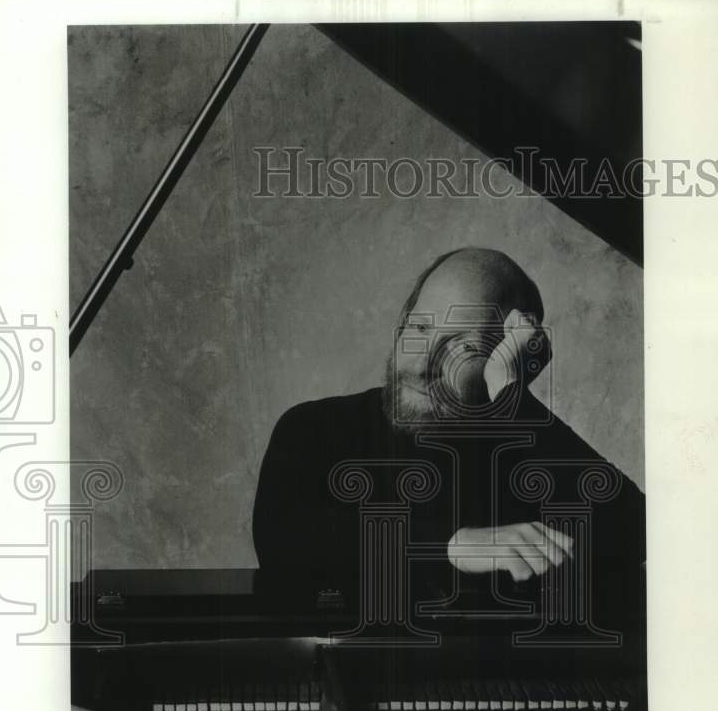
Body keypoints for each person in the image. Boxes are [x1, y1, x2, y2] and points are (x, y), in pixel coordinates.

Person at [252, 248, 645, 630]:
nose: (424, 364)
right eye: (420, 328)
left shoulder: (520, 446)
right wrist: (454, 545)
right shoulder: (313, 428)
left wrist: (512, 393)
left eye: (462, 346)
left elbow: (633, 532)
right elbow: (285, 540)